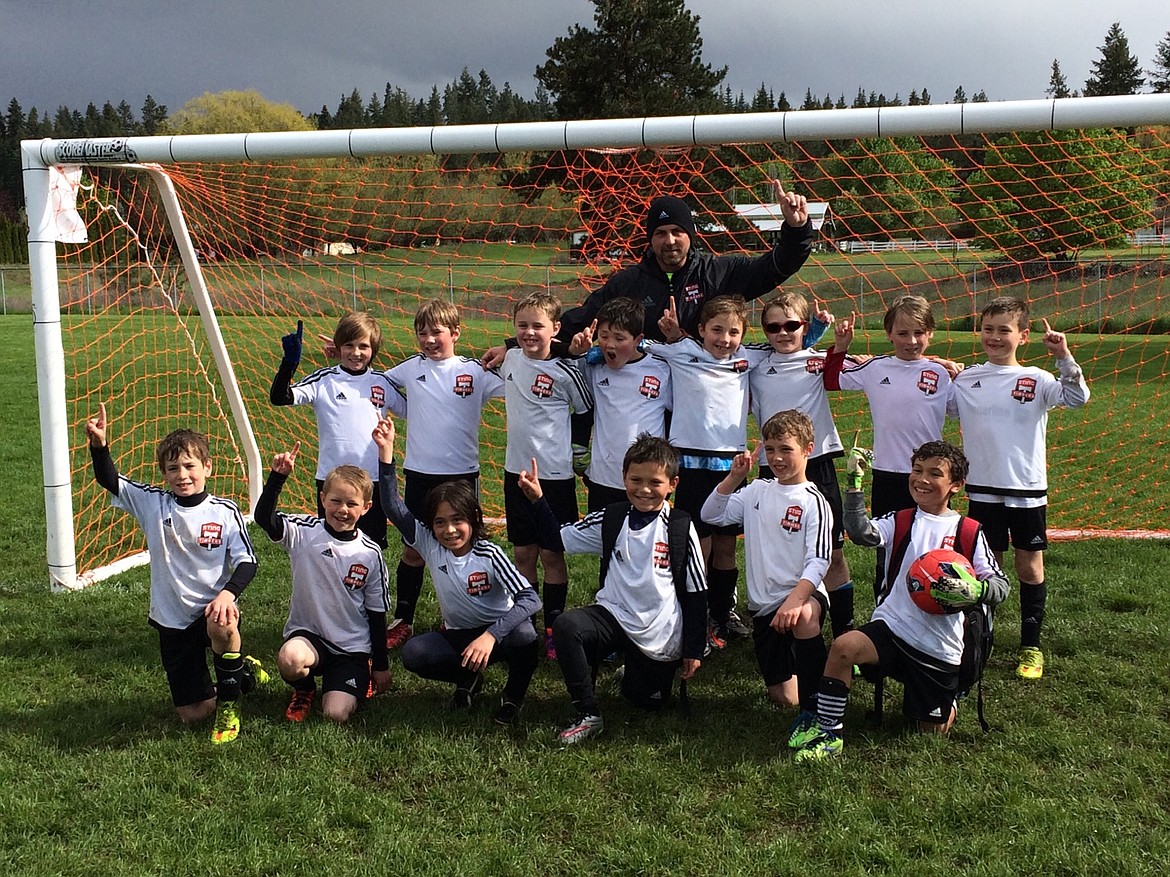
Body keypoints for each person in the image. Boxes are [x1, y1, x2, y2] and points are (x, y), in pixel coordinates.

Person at [791, 441, 1009, 762]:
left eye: (935, 473)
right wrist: (853, 486)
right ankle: (829, 732)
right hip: (893, 628)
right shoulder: (902, 520)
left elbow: (1001, 586)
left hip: (938, 644)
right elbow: (862, 532)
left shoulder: (969, 532)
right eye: (917, 470)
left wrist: (975, 591)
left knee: (929, 730)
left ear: (956, 486)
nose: (922, 479)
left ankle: (948, 698)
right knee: (843, 647)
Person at [84, 404, 260, 744]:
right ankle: (243, 673)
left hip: (212, 611)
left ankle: (230, 703)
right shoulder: (153, 503)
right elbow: (110, 480)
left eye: (190, 466)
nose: (183, 475)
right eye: (173, 468)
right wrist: (100, 447)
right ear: (164, 473)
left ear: (207, 467)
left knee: (223, 622)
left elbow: (248, 561)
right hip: (172, 618)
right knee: (193, 714)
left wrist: (227, 594)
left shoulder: (224, 511)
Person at [518, 434, 707, 745]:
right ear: (624, 478)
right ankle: (587, 712)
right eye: (636, 479)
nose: (644, 489)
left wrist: (692, 650)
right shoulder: (613, 517)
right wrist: (538, 501)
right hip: (613, 614)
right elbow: (558, 539)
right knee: (568, 626)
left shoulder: (681, 527)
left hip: (657, 632)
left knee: (646, 702)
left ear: (673, 483)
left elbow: (697, 593)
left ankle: (636, 670)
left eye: (655, 482)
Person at [947, 296, 1089, 681]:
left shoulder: (1037, 379)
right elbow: (935, 405)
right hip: (981, 489)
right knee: (984, 566)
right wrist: (939, 369)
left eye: (1004, 330)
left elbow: (1077, 398)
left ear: (1023, 336)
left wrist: (1063, 356)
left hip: (1025, 488)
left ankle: (1031, 645)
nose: (995, 337)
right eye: (988, 329)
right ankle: (980, 639)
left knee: (1028, 566)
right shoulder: (967, 379)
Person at [373, 416, 540, 725]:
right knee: (414, 654)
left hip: (501, 634)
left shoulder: (488, 553)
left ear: (474, 519)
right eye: (439, 522)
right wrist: (386, 453)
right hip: (459, 635)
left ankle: (513, 697)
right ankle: (468, 678)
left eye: (457, 521)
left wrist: (491, 635)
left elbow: (531, 601)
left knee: (527, 637)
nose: (449, 530)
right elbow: (392, 506)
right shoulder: (429, 544)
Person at [380, 299, 505, 651]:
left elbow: (516, 387)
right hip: (420, 474)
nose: (429, 339)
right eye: (422, 333)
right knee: (414, 551)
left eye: (437, 332)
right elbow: (374, 384)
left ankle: (475, 616)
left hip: (463, 476)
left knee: (466, 549)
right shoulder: (408, 369)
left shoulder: (475, 371)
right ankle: (404, 619)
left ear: (455, 333)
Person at [646, 294, 768, 649]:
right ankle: (690, 610)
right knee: (699, 544)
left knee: (727, 543)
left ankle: (722, 611)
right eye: (717, 330)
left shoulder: (747, 357)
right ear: (700, 330)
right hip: (691, 463)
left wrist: (820, 329)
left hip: (731, 465)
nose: (725, 339)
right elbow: (632, 344)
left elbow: (789, 342)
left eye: (733, 332)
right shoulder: (681, 350)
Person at [700, 410, 831, 724]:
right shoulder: (757, 491)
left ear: (807, 449)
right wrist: (733, 477)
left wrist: (795, 601)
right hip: (764, 608)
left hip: (801, 596)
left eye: (786, 449)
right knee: (784, 697)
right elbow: (711, 514)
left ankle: (817, 706)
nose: (777, 458)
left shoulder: (814, 501)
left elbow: (819, 560)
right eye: (770, 449)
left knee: (805, 616)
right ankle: (824, 674)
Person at [255, 443, 391, 724]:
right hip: (310, 637)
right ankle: (304, 690)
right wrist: (277, 478)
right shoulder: (304, 532)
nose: (342, 510)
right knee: (290, 658)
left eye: (352, 504)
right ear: (322, 498)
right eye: (335, 501)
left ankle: (352, 677)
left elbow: (377, 614)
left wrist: (380, 666)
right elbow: (264, 519)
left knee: (335, 714)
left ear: (366, 508)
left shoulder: (369, 553)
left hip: (351, 648)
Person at [747, 291, 856, 637]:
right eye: (773, 327)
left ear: (804, 327)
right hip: (772, 468)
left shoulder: (819, 360)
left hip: (817, 465)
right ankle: (779, 625)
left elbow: (878, 364)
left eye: (791, 325)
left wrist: (941, 363)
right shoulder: (753, 364)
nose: (782, 333)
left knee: (833, 555)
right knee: (780, 554)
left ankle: (844, 631)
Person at [498, 291, 593, 658]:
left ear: (555, 329)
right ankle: (526, 625)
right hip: (514, 472)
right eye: (522, 325)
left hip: (553, 476)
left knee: (553, 553)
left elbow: (585, 412)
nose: (529, 332)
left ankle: (554, 626)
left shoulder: (567, 370)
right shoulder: (509, 359)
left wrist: (579, 451)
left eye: (538, 325)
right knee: (523, 552)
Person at [269, 311, 405, 550]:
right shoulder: (325, 380)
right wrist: (289, 363)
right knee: (330, 546)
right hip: (331, 482)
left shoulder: (383, 382)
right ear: (339, 346)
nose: (356, 353)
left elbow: (414, 409)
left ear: (373, 350)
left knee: (371, 548)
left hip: (372, 481)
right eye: (349, 345)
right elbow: (281, 398)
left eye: (363, 346)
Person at [576, 297, 673, 512]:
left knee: (646, 542)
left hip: (647, 480)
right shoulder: (593, 367)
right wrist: (576, 353)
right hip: (603, 477)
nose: (610, 344)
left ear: (638, 339)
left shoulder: (662, 370)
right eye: (604, 336)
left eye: (620, 338)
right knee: (606, 542)